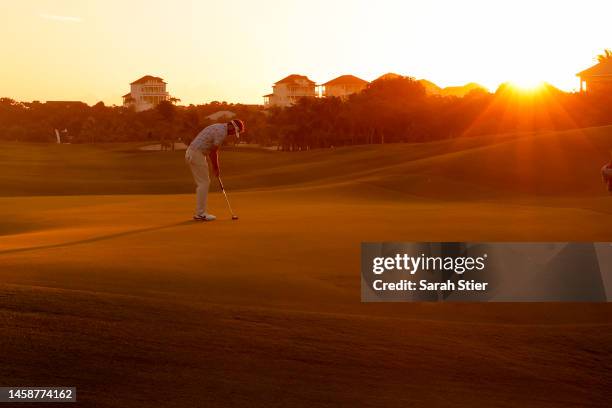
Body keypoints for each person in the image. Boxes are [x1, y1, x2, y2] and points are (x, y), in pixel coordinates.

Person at [185, 119, 245, 221]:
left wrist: (215, 167)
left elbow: (210, 150)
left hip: (193, 152)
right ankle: (200, 214)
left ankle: (200, 213)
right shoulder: (222, 132)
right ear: (231, 127)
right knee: (204, 183)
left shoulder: (218, 126)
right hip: (196, 153)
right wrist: (216, 168)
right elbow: (213, 152)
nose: (232, 134)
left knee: (203, 183)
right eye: (234, 131)